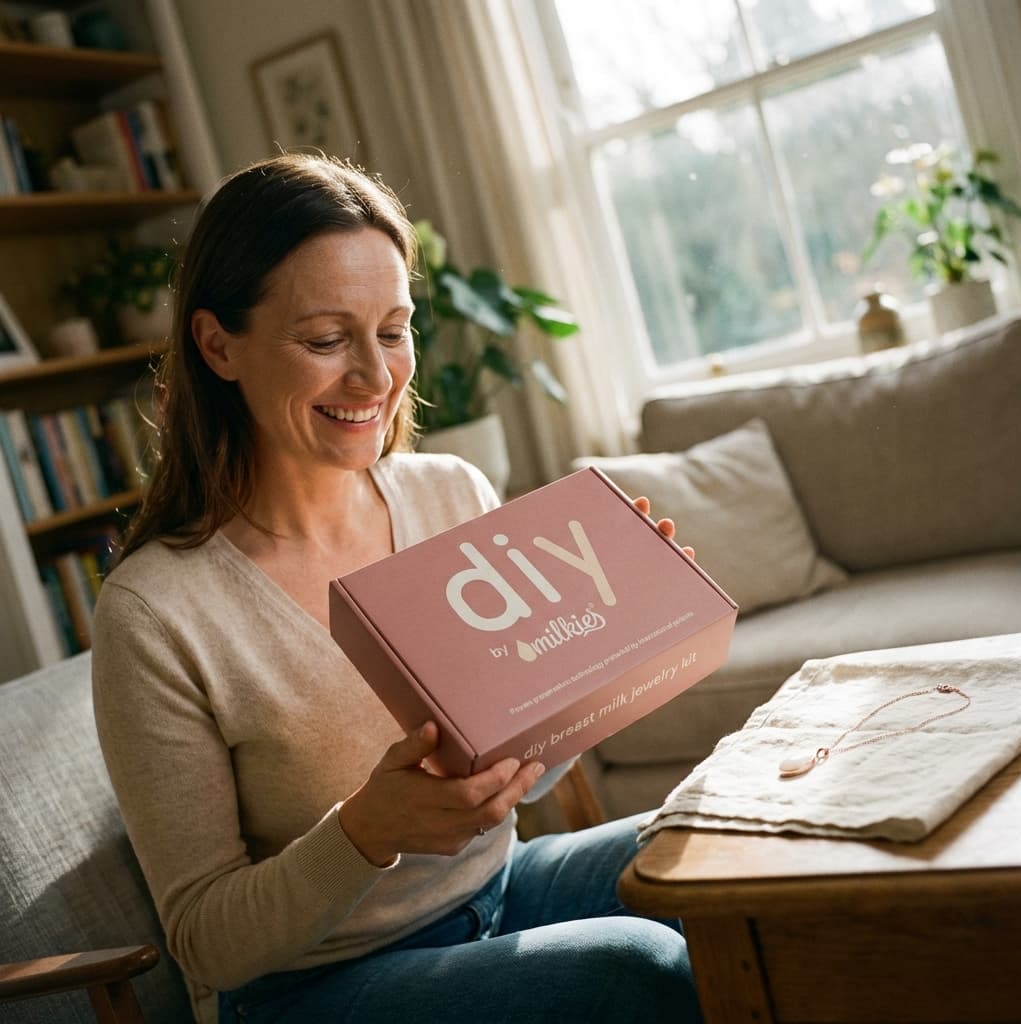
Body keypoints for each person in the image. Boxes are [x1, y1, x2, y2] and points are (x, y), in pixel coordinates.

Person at [91, 153, 703, 1024]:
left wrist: (616, 633)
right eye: (326, 339)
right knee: (633, 970)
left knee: (726, 856)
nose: (376, 379)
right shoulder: (157, 613)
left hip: (497, 891)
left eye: (392, 329)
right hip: (314, 986)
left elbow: (522, 782)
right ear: (218, 344)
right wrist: (365, 833)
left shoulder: (451, 494)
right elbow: (204, 940)